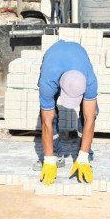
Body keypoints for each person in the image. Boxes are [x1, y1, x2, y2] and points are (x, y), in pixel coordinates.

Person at [37, 40, 97, 185]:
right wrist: (48, 159)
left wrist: (83, 156)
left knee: (90, 113)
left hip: (78, 53)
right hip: (53, 56)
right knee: (49, 116)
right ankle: (56, 154)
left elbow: (90, 118)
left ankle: (83, 153)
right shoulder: (48, 81)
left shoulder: (90, 81)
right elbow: (46, 122)